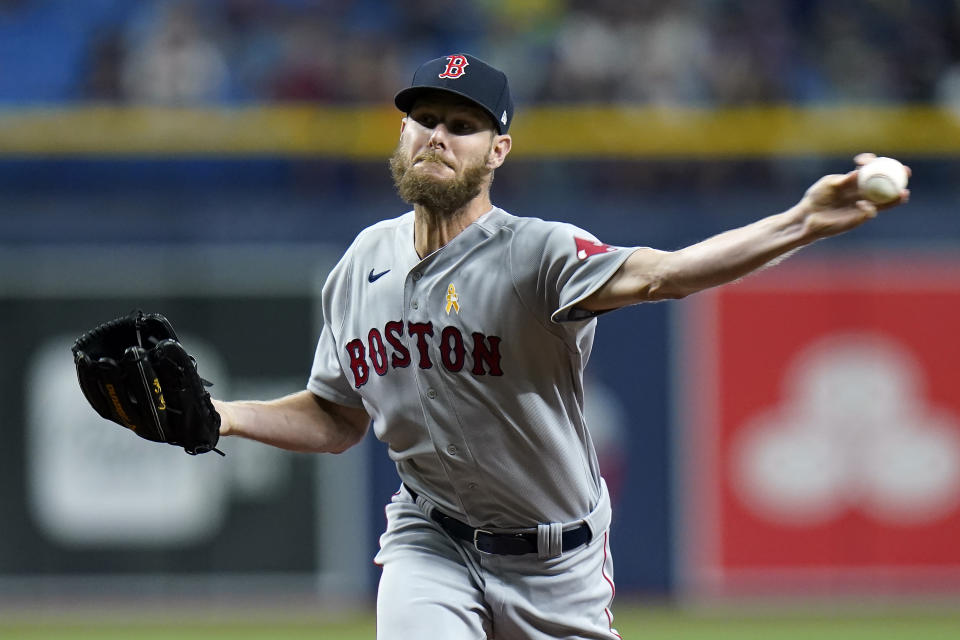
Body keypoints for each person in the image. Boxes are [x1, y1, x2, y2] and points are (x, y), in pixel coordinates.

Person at [211, 53, 908, 639]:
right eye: (425, 120)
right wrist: (226, 416)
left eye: (463, 126)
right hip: (430, 539)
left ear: (498, 150)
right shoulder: (364, 261)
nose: (438, 137)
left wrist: (800, 223)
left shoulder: (536, 254)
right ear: (401, 131)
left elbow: (664, 274)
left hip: (556, 562)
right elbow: (336, 418)